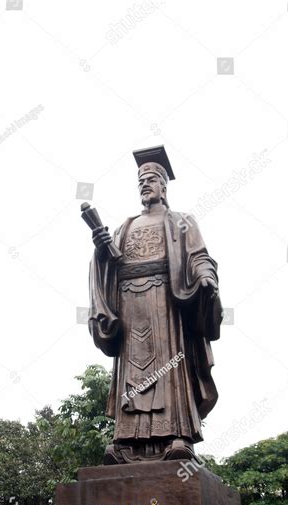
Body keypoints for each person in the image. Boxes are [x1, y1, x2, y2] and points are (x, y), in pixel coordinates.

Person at [88, 146, 223, 464]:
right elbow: (109, 266)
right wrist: (102, 252)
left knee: (168, 368)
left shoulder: (181, 221)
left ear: (164, 186)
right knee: (131, 372)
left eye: (150, 180)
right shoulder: (126, 226)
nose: (145, 185)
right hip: (130, 304)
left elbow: (199, 256)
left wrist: (206, 278)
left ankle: (177, 436)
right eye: (140, 182)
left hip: (166, 302)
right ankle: (126, 441)